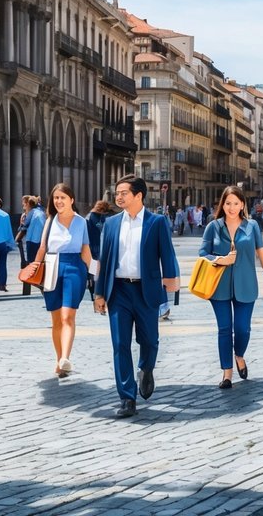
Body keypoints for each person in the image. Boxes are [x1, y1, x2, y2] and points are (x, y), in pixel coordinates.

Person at [93, 176, 181, 418]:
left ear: (138, 196)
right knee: (120, 344)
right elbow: (104, 260)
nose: (118, 197)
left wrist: (171, 281)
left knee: (150, 340)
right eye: (117, 193)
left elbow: (167, 254)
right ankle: (127, 397)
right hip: (118, 290)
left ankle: (146, 368)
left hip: (146, 290)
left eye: (123, 193)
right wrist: (99, 293)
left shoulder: (157, 222)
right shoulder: (110, 224)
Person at [199, 186, 263, 390]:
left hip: (246, 284)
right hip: (219, 287)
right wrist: (220, 259)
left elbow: (262, 254)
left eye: (236, 203)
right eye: (228, 203)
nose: (232, 207)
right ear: (222, 205)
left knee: (242, 329)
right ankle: (227, 373)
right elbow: (202, 254)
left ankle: (239, 355)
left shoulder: (251, 226)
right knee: (224, 329)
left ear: (243, 205)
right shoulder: (213, 227)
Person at [30, 184, 93, 378]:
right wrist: (34, 265)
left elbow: (86, 251)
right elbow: (42, 247)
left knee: (68, 316)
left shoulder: (81, 222)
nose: (58, 201)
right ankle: (60, 360)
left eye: (62, 197)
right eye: (56, 198)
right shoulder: (50, 221)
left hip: (74, 267)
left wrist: (97, 275)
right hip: (51, 267)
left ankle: (66, 357)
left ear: (71, 200)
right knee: (56, 319)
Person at [16, 195, 44, 289]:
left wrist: (16, 239)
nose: (23, 205)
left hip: (33, 240)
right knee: (37, 263)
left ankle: (37, 282)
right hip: (40, 240)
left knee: (31, 264)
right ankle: (38, 281)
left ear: (28, 204)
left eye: (24, 203)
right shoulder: (40, 211)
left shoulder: (31, 212)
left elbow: (24, 227)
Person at [86, 200, 114, 289]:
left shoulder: (89, 217)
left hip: (92, 250)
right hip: (104, 250)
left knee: (94, 275)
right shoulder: (108, 218)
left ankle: (93, 290)